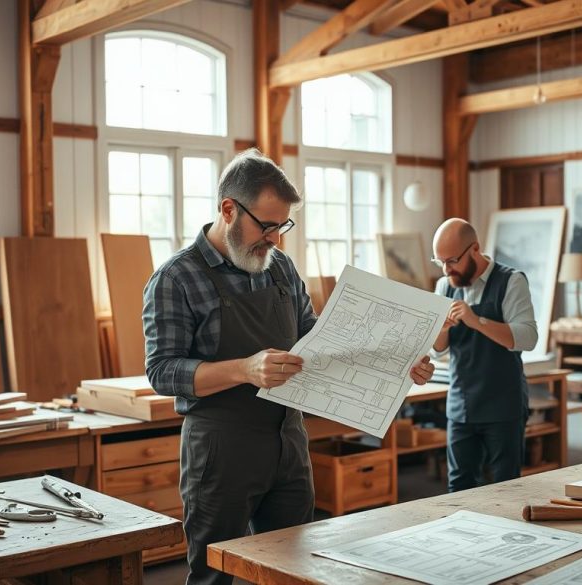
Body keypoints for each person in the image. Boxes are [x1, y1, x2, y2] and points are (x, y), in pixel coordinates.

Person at [143, 149, 435, 585]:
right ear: (228, 209)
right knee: (211, 576)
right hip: (221, 451)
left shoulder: (278, 268)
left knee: (295, 570)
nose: (276, 238)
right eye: (266, 225)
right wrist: (245, 369)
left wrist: (397, 363)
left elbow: (320, 343)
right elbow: (163, 371)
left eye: (282, 225)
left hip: (289, 443)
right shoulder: (176, 278)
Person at [431, 218, 538, 492]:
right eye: (439, 262)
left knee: (506, 487)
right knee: (459, 487)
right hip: (461, 406)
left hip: (503, 406)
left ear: (475, 249)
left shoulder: (512, 281)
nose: (446, 270)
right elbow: (436, 348)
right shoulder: (445, 286)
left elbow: (527, 338)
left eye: (452, 260)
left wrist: (476, 320)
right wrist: (441, 328)